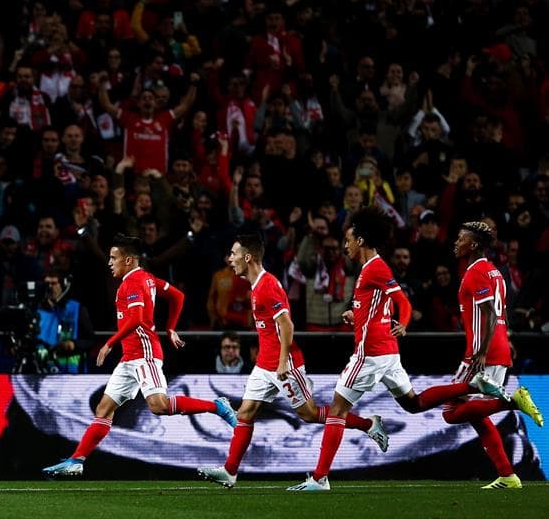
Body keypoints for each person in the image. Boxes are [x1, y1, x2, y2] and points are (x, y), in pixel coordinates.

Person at [288, 207, 508, 492]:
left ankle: (320, 478)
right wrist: (357, 315)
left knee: (337, 409)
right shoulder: (370, 269)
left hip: (370, 353)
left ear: (363, 240)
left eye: (349, 239)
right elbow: (380, 305)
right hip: (388, 353)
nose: (346, 245)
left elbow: (403, 302)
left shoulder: (376, 267)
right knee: (413, 403)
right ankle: (473, 384)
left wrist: (403, 323)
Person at [198, 235, 387, 488]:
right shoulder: (254, 286)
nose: (229, 259)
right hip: (264, 365)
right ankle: (230, 471)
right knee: (245, 413)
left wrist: (282, 362)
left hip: (284, 365)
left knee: (308, 414)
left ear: (248, 257)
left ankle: (368, 424)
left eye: (233, 253)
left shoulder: (268, 285)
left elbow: (286, 324)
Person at [42, 235, 238, 477]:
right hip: (130, 357)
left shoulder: (131, 283)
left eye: (114, 258)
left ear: (129, 259)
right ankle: (77, 460)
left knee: (158, 406)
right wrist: (170, 327)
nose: (110, 262)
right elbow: (178, 296)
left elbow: (136, 319)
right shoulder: (147, 278)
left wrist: (109, 344)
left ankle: (216, 406)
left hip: (144, 354)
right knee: (104, 409)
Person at [439, 222, 543, 489]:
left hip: (481, 352)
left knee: (450, 411)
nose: (456, 242)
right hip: (498, 348)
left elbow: (488, 314)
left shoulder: (475, 273)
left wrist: (482, 352)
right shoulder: (496, 271)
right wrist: (505, 341)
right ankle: (507, 475)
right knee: (475, 416)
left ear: (473, 245)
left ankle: (513, 402)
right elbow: (502, 313)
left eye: (460, 238)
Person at [36, 269, 95, 374]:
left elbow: (90, 341)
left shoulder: (76, 308)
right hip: (41, 374)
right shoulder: (36, 311)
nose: (50, 287)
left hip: (71, 376)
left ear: (63, 285)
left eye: (54, 283)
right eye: (47, 284)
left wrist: (73, 344)